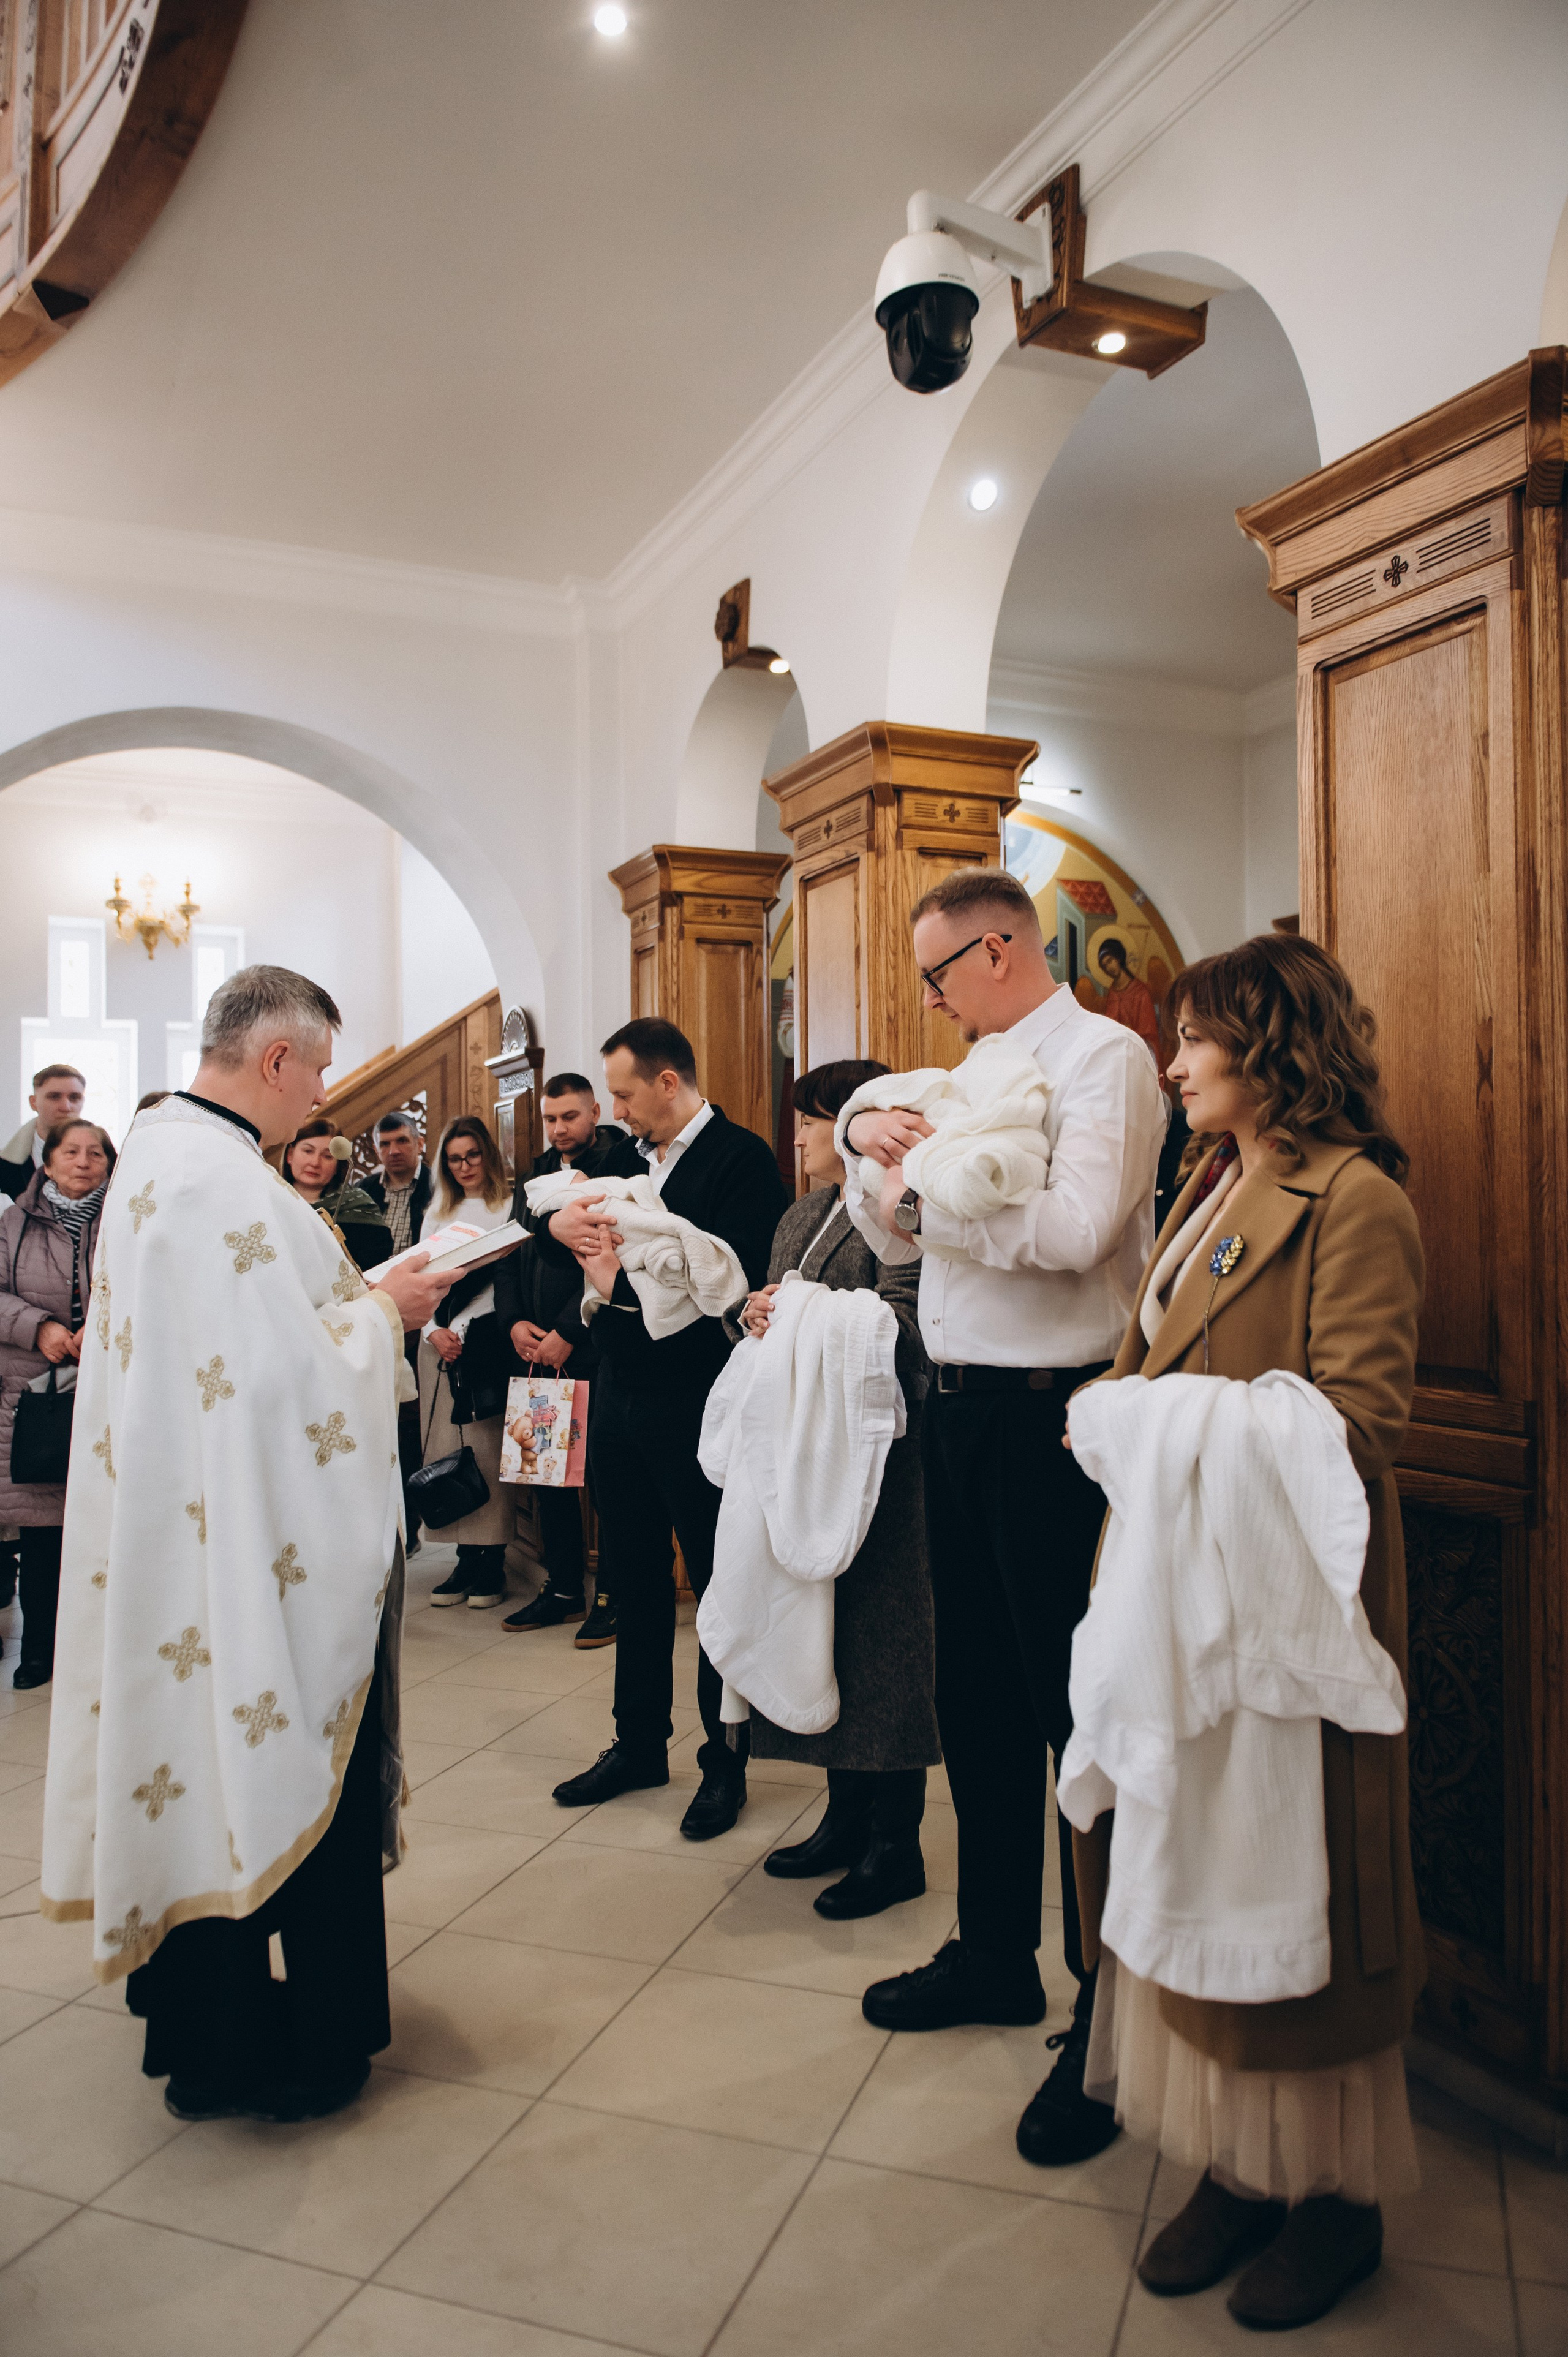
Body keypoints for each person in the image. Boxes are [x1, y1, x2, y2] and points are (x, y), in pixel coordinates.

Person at [1070, 933, 1425, 2331]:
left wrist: (1143, 1422)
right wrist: (1117, 1410)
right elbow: (1144, 1352)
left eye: (1190, 1036)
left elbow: (1359, 1421)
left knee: (1295, 1900)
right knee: (1189, 1865)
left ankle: (1332, 2197)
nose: (1168, 1061)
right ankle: (1233, 2162)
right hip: (1180, 1597)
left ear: (1265, 1042)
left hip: (1281, 1617)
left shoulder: (1355, 1199)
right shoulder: (1213, 1181)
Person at [39, 964, 447, 2122]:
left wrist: (355, 1303)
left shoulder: (166, 1154)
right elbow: (285, 1378)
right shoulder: (225, 1183)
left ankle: (204, 2030)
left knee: (195, 1761)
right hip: (252, 1542)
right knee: (271, 1751)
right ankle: (313, 2044)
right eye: (316, 1073)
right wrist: (388, 1313)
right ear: (276, 1058)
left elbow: (243, 1347)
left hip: (185, 1523)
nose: (318, 1097)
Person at [840, 866, 1165, 2165]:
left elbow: (1084, 1229)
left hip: (1055, 1416)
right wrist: (905, 1178)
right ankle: (991, 1951)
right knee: (969, 1688)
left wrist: (928, 1197)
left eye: (932, 976)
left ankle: (1102, 2007)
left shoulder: (1108, 1058)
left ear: (992, 949)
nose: (925, 1000)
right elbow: (891, 1231)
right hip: (956, 1400)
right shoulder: (965, 1073)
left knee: (1063, 1707)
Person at [543, 1017, 787, 1838]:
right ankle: (638, 1743)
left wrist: (631, 1278)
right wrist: (561, 1228)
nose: (613, 1109)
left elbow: (740, 1283)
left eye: (622, 1093)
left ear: (669, 1083)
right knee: (633, 1574)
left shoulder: (742, 1160)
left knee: (716, 1584)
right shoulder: (619, 1159)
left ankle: (726, 1763)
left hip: (696, 1402)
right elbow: (541, 1203)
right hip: (619, 1392)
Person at [731, 1059, 939, 1918]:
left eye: (815, 1121)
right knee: (823, 1631)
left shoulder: (901, 1206)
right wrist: (753, 1315)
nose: (802, 1137)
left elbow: (910, 1323)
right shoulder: (801, 1215)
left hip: (884, 1458)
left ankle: (898, 1844)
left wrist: (804, 1319)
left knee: (883, 1645)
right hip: (806, 1448)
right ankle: (844, 1816)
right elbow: (777, 1312)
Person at [495, 1072, 637, 1645]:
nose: (559, 1128)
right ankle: (560, 1588)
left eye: (570, 1117)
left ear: (595, 1112)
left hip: (592, 1345)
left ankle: (613, 1594)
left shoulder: (621, 1168)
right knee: (545, 1473)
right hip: (534, 1348)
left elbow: (608, 1259)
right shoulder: (534, 1176)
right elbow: (510, 1253)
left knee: (605, 1479)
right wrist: (512, 1324)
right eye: (551, 1118)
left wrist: (566, 1332)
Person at [0, 1118, 113, 1687]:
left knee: (105, 1529)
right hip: (35, 1392)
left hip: (111, 1388)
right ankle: (39, 1652)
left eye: (96, 1152)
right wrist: (39, 1327)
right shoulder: (13, 1222)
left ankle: (99, 1654)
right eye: (71, 1151)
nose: (84, 1160)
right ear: (47, 1162)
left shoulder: (127, 1221)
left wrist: (107, 1327)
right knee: (45, 1531)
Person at [420, 1115, 521, 1610]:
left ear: (488, 1155)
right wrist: (432, 1330)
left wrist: (460, 1328)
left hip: (484, 1342)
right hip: (438, 1343)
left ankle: (492, 1561)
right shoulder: (439, 1209)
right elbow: (417, 1277)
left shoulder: (507, 1206)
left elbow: (503, 1281)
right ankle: (462, 1556)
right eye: (454, 1159)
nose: (464, 1166)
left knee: (485, 1451)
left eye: (472, 1155)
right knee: (446, 1451)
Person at [361, 1112, 435, 1547]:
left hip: (427, 1317)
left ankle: (420, 1516)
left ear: (420, 1142)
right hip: (377, 1315)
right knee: (387, 1419)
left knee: (419, 1423)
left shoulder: (437, 1188)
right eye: (385, 1144)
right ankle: (397, 1523)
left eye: (402, 1141)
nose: (394, 1151)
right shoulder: (363, 1193)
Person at [282, 1118, 392, 1272]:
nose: (315, 1162)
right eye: (308, 1151)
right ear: (290, 1155)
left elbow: (377, 1267)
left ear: (338, 1166)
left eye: (327, 1156)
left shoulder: (359, 1206)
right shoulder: (272, 1201)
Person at [1, 1065, 86, 1202]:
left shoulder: (110, 1164)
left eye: (74, 1097)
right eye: (54, 1097)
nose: (66, 1107)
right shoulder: (4, 1168)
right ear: (34, 1103)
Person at [1095, 937, 1161, 1068]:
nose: (1109, 967)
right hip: (1117, 1055)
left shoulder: (1141, 993)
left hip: (1138, 1056)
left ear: (1118, 958)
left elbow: (1149, 1036)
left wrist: (1128, 1032)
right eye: (1105, 965)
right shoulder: (1112, 995)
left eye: (1110, 961)